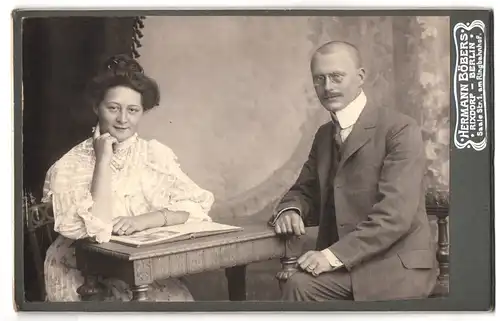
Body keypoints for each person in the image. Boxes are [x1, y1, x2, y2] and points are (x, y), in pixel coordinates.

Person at [270, 41, 437, 301]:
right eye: (319, 79)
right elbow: (303, 189)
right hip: (348, 267)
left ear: (360, 77)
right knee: (298, 286)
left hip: (395, 267)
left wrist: (330, 256)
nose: (328, 87)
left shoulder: (400, 129)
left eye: (337, 77)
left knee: (299, 287)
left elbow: (394, 216)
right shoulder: (324, 135)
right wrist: (292, 208)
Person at [42, 54, 214, 301]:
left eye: (132, 110)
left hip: (137, 268)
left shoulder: (154, 154)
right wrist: (102, 160)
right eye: (113, 108)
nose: (123, 119)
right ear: (96, 107)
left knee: (177, 304)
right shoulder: (70, 165)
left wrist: (148, 219)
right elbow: (98, 232)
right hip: (80, 272)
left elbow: (195, 206)